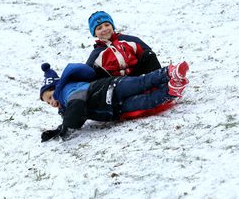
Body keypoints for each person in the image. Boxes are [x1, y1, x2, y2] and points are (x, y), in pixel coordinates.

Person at [39, 61, 189, 142]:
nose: (51, 102)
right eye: (47, 102)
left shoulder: (66, 90)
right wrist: (58, 130)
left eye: (50, 96)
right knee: (145, 101)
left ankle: (170, 72)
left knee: (142, 83)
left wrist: (68, 129)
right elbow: (72, 115)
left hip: (113, 88)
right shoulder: (65, 106)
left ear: (56, 88)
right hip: (115, 110)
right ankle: (171, 91)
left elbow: (77, 102)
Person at [86, 11, 161, 78]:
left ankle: (160, 81)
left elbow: (146, 53)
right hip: (117, 84)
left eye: (107, 25)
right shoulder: (97, 54)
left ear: (112, 26)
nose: (105, 29)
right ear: (95, 34)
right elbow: (87, 72)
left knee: (149, 54)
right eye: (99, 28)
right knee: (96, 70)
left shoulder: (130, 40)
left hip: (138, 75)